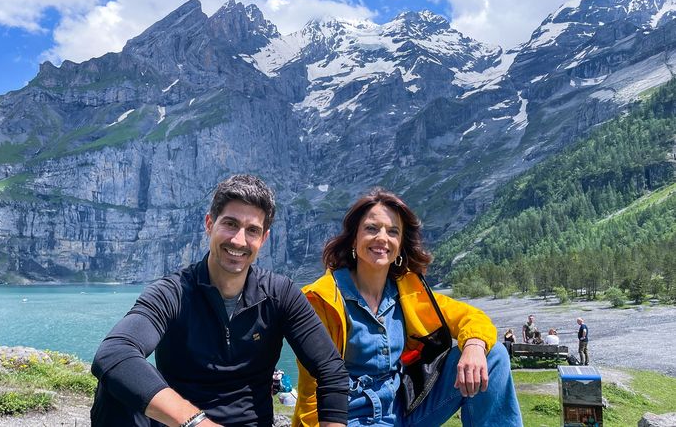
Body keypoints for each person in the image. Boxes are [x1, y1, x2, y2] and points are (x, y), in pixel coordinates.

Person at [91, 174, 348, 427]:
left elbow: (331, 369)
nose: (239, 240)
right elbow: (115, 352)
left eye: (252, 230)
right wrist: (196, 422)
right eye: (230, 224)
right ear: (209, 224)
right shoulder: (173, 292)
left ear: (264, 238)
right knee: (114, 384)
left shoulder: (280, 294)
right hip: (184, 425)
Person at [293, 188, 522, 426]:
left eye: (393, 232)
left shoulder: (408, 292)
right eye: (371, 228)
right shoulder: (323, 299)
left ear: (400, 246)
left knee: (493, 355)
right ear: (354, 238)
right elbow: (313, 389)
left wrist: (473, 346)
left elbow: (471, 316)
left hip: (404, 414)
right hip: (347, 419)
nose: (382, 238)